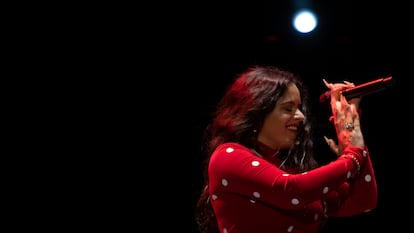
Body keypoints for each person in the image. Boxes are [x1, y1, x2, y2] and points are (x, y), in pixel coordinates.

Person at [194, 65, 377, 233]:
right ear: (257, 110)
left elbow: (363, 201)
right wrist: (352, 155)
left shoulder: (288, 169)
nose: (300, 116)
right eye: (288, 108)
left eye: (298, 108)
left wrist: (352, 129)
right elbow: (291, 191)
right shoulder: (227, 156)